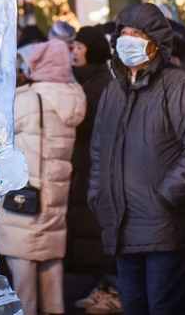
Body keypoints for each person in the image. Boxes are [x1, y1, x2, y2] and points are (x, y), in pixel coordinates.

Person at [89, 3, 185, 315]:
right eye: (124, 33)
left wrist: (165, 196)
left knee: (165, 307)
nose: (128, 40)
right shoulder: (113, 91)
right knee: (134, 307)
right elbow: (98, 151)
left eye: (137, 34)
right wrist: (98, 194)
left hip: (166, 226)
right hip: (122, 225)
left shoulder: (181, 85)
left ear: (156, 42)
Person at [0, 39, 87, 315]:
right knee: (50, 258)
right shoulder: (73, 98)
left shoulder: (29, 100)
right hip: (55, 194)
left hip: (25, 194)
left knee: (22, 260)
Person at [67, 27, 121, 314]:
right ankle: (102, 287)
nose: (73, 52)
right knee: (90, 232)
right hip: (83, 167)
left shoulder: (100, 85)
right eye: (73, 46)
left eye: (79, 47)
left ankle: (114, 290)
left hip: (94, 167)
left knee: (98, 231)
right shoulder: (84, 81)